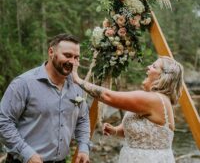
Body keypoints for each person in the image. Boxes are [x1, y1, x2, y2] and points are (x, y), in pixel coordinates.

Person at [72, 56, 184, 163]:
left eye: (154, 66)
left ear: (163, 77)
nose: (148, 67)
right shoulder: (154, 99)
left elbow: (108, 97)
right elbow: (143, 134)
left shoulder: (155, 100)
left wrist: (77, 79)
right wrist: (115, 130)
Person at [0, 34, 90, 163]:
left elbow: (82, 119)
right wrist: (26, 153)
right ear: (51, 52)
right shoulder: (23, 83)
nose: (72, 62)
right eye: (68, 55)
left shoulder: (77, 86)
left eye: (76, 57)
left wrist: (83, 147)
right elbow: (3, 121)